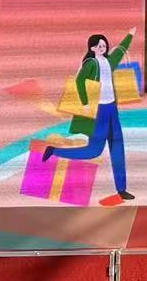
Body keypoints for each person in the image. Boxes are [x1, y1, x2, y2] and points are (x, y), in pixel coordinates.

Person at [44, 29, 136, 205]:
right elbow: (79, 80)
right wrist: (85, 102)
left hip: (112, 110)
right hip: (98, 111)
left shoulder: (109, 61)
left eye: (104, 45)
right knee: (94, 151)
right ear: (92, 48)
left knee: (118, 148)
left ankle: (122, 189)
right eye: (99, 46)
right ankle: (54, 151)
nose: (103, 47)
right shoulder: (91, 63)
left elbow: (121, 50)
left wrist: (130, 35)